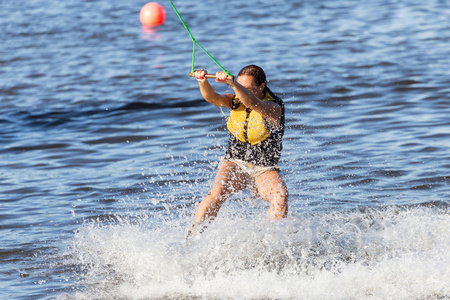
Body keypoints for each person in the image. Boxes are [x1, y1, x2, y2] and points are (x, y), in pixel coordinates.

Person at [187, 65, 288, 238]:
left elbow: (252, 102)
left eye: (246, 88)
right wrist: (202, 81)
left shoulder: (274, 107)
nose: (241, 92)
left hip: (263, 168)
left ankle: (270, 243)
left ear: (262, 86)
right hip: (236, 162)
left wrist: (234, 84)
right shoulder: (234, 101)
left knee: (281, 195)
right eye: (239, 86)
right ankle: (191, 238)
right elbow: (212, 97)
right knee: (217, 190)